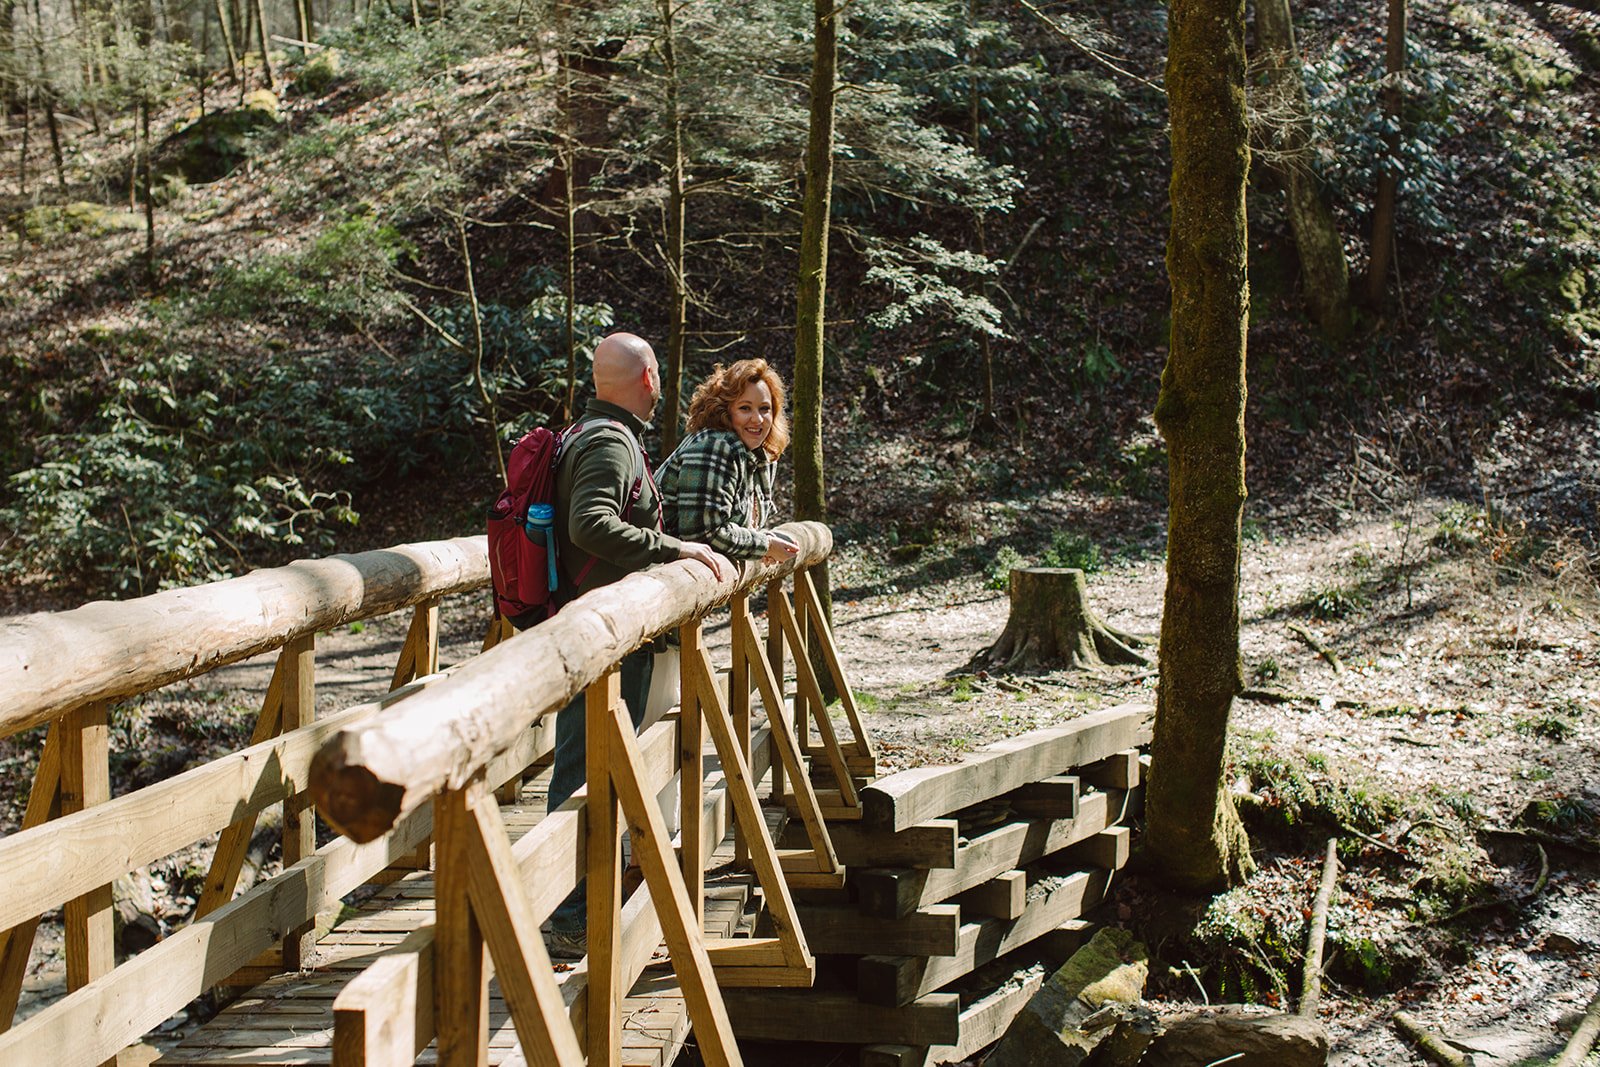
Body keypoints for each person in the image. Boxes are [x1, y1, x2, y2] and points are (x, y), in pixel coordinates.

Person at [544, 331, 723, 959]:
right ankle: (567, 914)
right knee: (586, 766)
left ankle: (580, 903)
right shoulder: (610, 443)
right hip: (602, 634)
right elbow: (590, 524)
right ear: (648, 378)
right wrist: (675, 548)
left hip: (598, 629)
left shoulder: (590, 432)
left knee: (598, 763)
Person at [656, 358, 801, 568]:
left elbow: (737, 527)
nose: (757, 419)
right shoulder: (716, 445)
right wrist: (766, 546)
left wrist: (764, 542)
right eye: (745, 408)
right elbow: (702, 534)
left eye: (764, 409)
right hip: (660, 578)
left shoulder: (759, 454)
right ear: (724, 410)